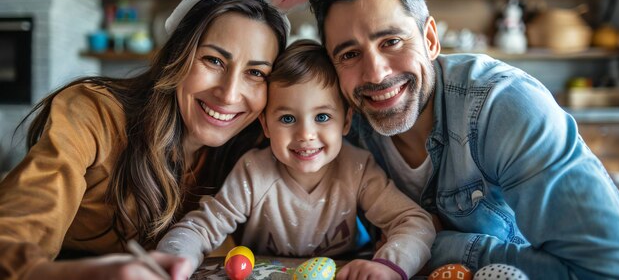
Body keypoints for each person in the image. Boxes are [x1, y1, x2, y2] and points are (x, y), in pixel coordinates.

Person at [0, 0, 360, 278]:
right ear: (178, 55)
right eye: (214, 61)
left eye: (256, 73)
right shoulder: (93, 113)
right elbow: (11, 241)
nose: (230, 94)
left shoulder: (258, 149)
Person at [308, 0, 619, 279]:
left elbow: (608, 267)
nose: (375, 74)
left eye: (391, 42)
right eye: (349, 54)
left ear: (430, 39)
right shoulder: (338, 122)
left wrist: (441, 246)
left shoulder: (506, 105)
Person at [157, 39, 436, 280]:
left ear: (346, 122)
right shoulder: (254, 171)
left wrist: (389, 266)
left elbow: (414, 222)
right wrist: (175, 259)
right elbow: (200, 228)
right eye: (287, 118)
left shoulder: (358, 168)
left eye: (322, 117)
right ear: (266, 126)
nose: (306, 134)